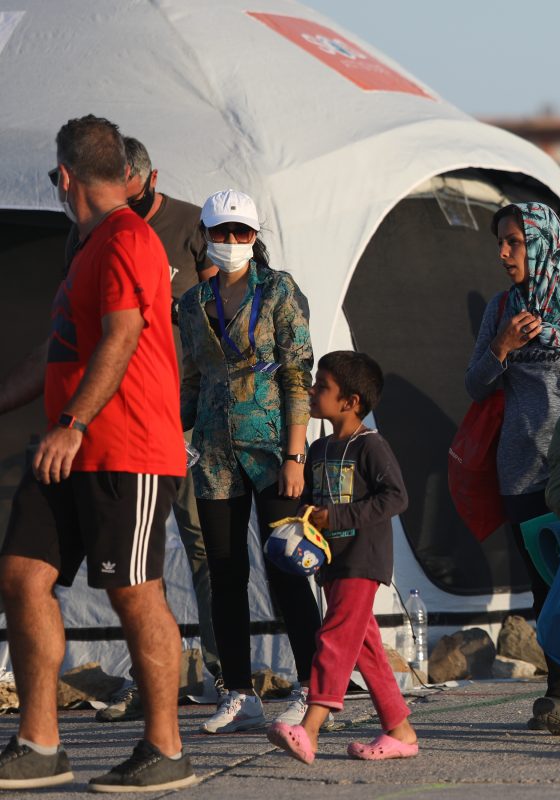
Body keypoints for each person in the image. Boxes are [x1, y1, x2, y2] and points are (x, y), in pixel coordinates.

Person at [0, 115, 197, 791]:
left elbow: (122, 336)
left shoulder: (126, 240)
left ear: (64, 177)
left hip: (125, 449)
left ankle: (166, 750)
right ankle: (40, 743)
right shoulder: (83, 248)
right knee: (23, 576)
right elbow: (51, 352)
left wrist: (73, 422)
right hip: (70, 447)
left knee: (132, 592)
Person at [83, 136, 223, 723]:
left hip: (183, 413)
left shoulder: (191, 224)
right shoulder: (96, 229)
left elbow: (223, 303)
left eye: (133, 195)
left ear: (150, 180)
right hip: (124, 414)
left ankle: (225, 673)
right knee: (139, 555)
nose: (125, 206)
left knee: (201, 543)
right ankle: (149, 682)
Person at [465, 202, 560, 735]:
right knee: (543, 588)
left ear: (543, 243)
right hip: (519, 470)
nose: (504, 253)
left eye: (515, 242)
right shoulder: (500, 308)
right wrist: (502, 346)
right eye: (501, 243)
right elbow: (476, 384)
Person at [178, 189, 322, 734]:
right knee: (224, 572)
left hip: (272, 447)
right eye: (221, 233)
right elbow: (192, 378)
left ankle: (312, 687)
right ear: (207, 236)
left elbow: (296, 373)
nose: (232, 242)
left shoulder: (279, 290)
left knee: (287, 565)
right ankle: (238, 690)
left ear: (256, 236)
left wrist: (295, 452)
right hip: (214, 452)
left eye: (241, 233)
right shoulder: (192, 304)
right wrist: (173, 432)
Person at [268, 350, 418, 763]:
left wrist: (336, 516)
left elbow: (396, 497)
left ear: (351, 401)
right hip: (332, 563)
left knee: (333, 638)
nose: (313, 391)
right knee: (365, 647)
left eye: (323, 386)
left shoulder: (371, 446)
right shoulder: (318, 449)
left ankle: (309, 729)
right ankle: (400, 731)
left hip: (362, 560)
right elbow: (318, 506)